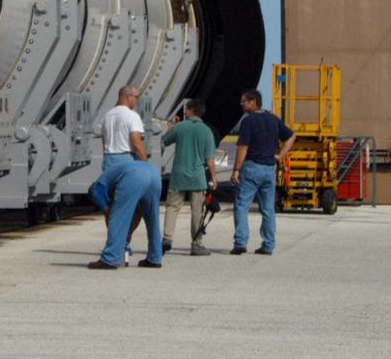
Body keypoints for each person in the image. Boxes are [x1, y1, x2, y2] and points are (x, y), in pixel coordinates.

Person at [230, 89, 295, 256]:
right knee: (267, 209)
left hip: (252, 167)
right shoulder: (274, 119)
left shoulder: (248, 121)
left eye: (243, 101)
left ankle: (240, 243)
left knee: (242, 205)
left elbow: (243, 147)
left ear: (253, 102)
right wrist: (279, 156)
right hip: (268, 169)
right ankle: (268, 245)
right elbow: (291, 137)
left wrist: (236, 169)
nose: (242, 104)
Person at [161, 98, 217, 256]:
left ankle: (167, 239)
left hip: (178, 176)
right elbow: (210, 160)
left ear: (191, 110)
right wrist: (214, 177)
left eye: (186, 109)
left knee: (172, 207)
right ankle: (196, 243)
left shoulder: (179, 127)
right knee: (197, 211)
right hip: (197, 178)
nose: (185, 112)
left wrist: (170, 127)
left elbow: (164, 141)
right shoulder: (206, 131)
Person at [86, 160, 163, 269]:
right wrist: (128, 232)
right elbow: (138, 214)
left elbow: (111, 216)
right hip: (154, 174)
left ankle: (109, 259)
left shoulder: (96, 190)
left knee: (117, 218)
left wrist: (124, 233)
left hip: (135, 175)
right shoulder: (110, 178)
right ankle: (154, 259)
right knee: (152, 219)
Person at [101, 84, 146, 170]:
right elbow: (136, 143)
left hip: (108, 159)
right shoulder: (132, 115)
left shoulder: (106, 116)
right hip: (126, 160)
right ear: (128, 97)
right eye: (136, 97)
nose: (137, 100)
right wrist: (146, 164)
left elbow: (104, 142)